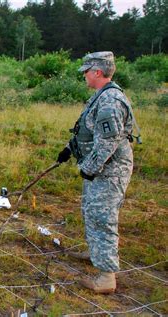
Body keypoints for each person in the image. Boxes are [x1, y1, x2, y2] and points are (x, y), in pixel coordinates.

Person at [56, 51, 138, 294]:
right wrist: (70, 148)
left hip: (109, 170)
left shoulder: (111, 101)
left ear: (97, 72)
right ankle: (96, 253)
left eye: (86, 72)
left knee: (103, 217)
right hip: (99, 168)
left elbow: (107, 143)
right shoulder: (101, 96)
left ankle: (106, 277)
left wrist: (89, 168)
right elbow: (88, 129)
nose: (84, 76)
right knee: (90, 211)